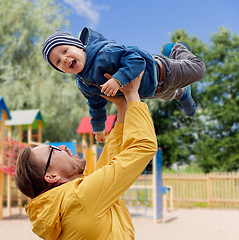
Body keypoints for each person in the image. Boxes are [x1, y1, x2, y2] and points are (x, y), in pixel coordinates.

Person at [14, 73, 158, 240]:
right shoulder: (80, 198)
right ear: (52, 176)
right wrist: (132, 94)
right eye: (53, 150)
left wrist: (122, 106)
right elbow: (143, 147)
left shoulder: (63, 204)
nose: (63, 147)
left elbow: (109, 164)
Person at [42, 27, 206, 142]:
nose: (63, 59)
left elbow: (136, 59)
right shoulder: (84, 83)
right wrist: (98, 127)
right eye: (57, 62)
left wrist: (117, 80)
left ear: (79, 47)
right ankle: (184, 94)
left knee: (199, 70)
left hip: (164, 71)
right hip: (152, 92)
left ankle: (176, 49)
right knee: (173, 94)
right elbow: (95, 104)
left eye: (65, 51)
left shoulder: (105, 53)